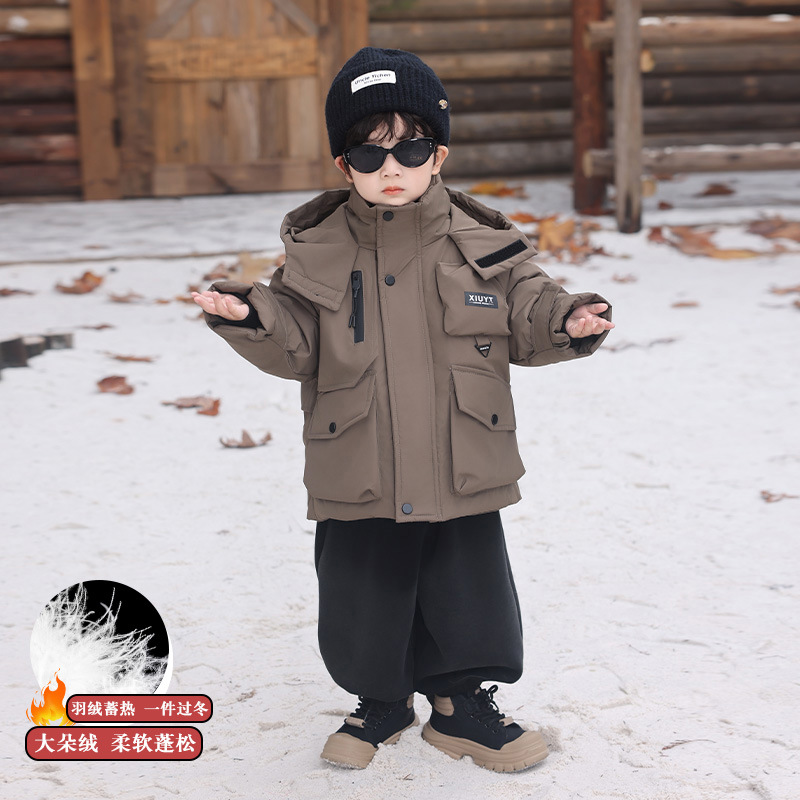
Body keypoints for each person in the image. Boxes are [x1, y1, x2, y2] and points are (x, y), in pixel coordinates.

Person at [193, 47, 614, 773]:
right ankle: (380, 701)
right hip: (359, 457)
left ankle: (461, 706)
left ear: (438, 155)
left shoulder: (484, 244)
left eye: (410, 148)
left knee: (465, 586)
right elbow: (296, 339)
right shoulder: (317, 249)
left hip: (460, 455)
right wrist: (250, 315)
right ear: (344, 164)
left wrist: (568, 320)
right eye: (369, 152)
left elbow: (530, 308)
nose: (392, 166)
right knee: (363, 590)